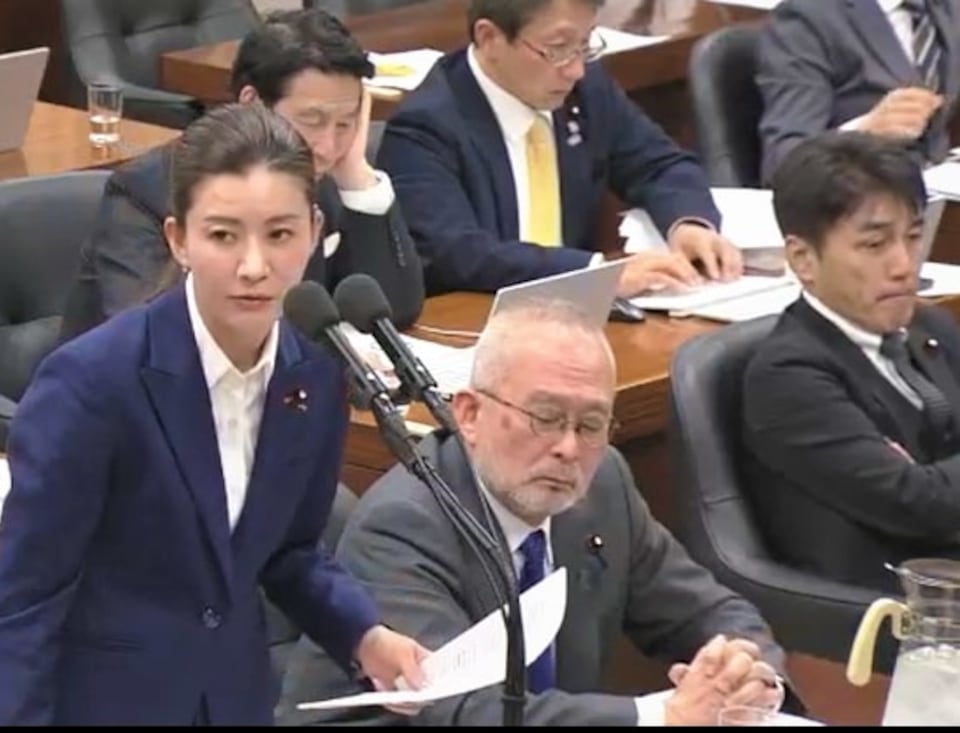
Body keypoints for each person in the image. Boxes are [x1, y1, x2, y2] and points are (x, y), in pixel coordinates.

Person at [0, 103, 428, 726]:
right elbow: (27, 602)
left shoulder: (316, 372)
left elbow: (289, 552)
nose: (254, 266)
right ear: (178, 239)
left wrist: (363, 634)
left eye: (280, 235)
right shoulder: (93, 383)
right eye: (223, 236)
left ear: (314, 230)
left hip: (234, 703)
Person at [280, 298, 793, 726]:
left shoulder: (603, 485)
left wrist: (749, 674)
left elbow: (707, 609)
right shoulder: (403, 523)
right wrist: (661, 716)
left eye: (590, 425)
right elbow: (466, 712)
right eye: (545, 418)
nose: (569, 448)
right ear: (469, 414)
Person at [59, 8, 424, 342]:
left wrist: (357, 177)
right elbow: (149, 340)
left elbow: (392, 312)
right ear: (252, 103)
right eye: (312, 120)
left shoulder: (321, 177)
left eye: (345, 124)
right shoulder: (145, 194)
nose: (328, 146)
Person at [374, 0, 743, 298]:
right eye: (558, 49)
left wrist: (688, 223)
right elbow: (457, 253)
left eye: (585, 44)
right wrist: (596, 274)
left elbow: (658, 164)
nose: (575, 69)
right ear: (489, 38)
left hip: (578, 319)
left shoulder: (587, 89)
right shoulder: (426, 125)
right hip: (478, 324)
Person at [742, 132, 960, 594]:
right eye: (875, 245)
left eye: (913, 237)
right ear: (803, 258)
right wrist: (931, 484)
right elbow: (917, 503)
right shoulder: (789, 377)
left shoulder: (931, 328)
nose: (904, 265)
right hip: (897, 603)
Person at [756, 0, 960, 182]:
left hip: (938, 188)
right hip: (861, 193)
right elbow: (783, 162)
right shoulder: (807, 17)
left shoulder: (947, 8)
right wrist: (864, 132)